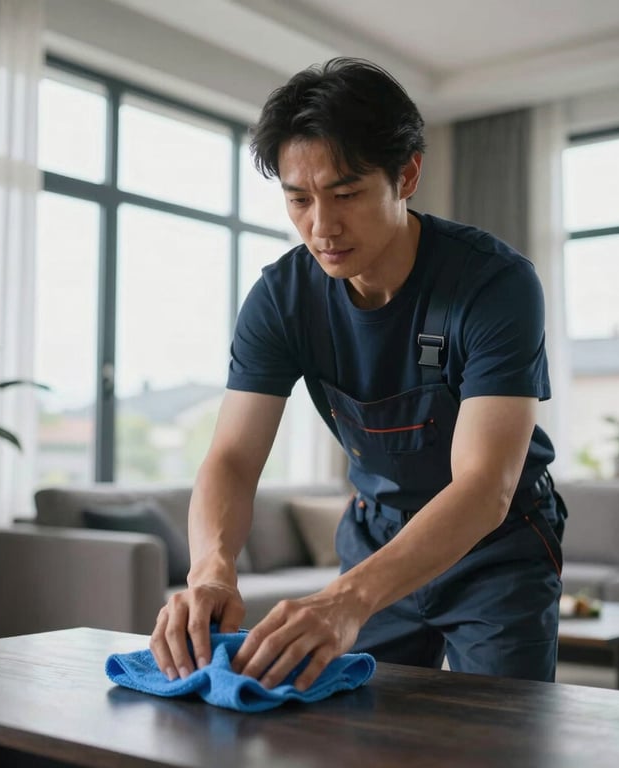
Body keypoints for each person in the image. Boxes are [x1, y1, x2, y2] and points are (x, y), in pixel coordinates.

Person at [149, 56, 567, 690]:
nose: (321, 226)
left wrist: (346, 600)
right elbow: (232, 458)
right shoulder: (282, 299)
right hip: (374, 533)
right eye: (298, 199)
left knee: (500, 739)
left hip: (497, 551)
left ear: (407, 175)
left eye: (345, 194)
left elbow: (486, 486)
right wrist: (210, 569)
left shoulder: (495, 284)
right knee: (355, 735)